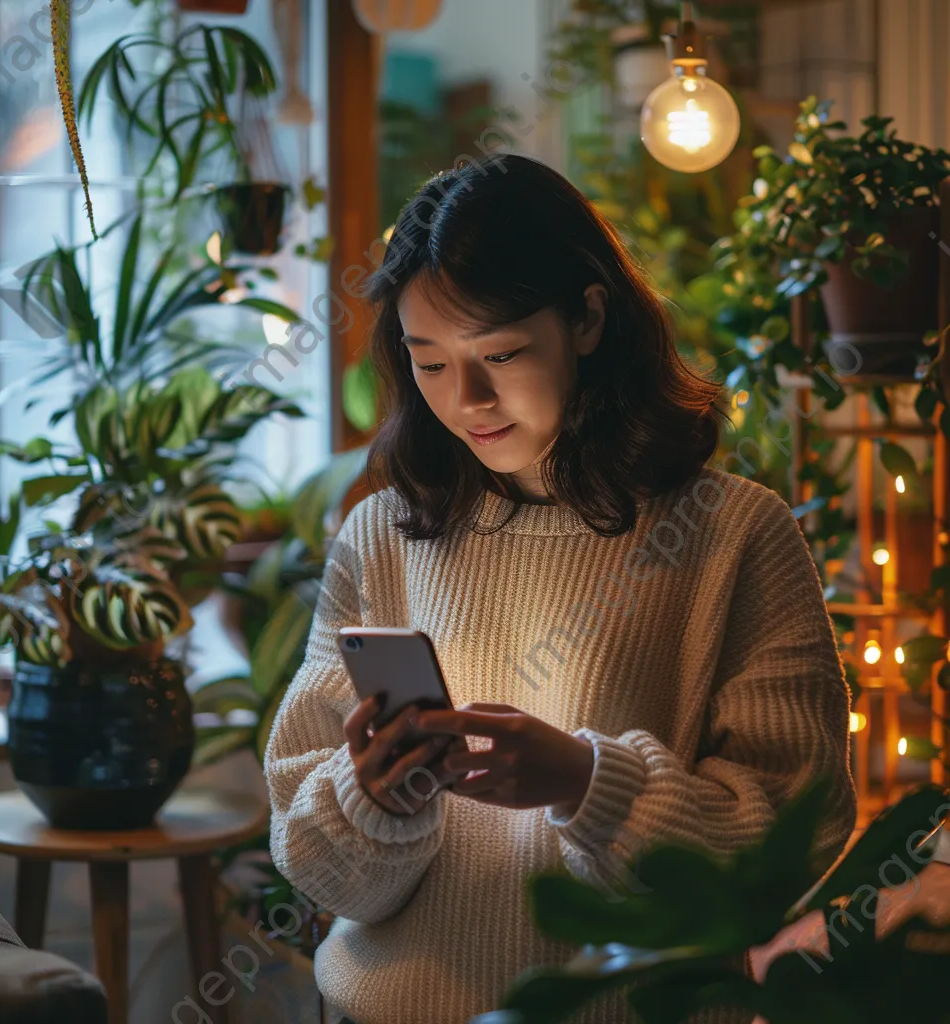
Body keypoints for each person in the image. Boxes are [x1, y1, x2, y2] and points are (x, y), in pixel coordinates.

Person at [264, 153, 857, 1024]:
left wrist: (588, 782)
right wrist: (374, 798)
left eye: (500, 353)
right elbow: (314, 866)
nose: (466, 399)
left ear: (586, 317)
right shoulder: (383, 535)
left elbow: (794, 837)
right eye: (428, 363)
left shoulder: (733, 535)